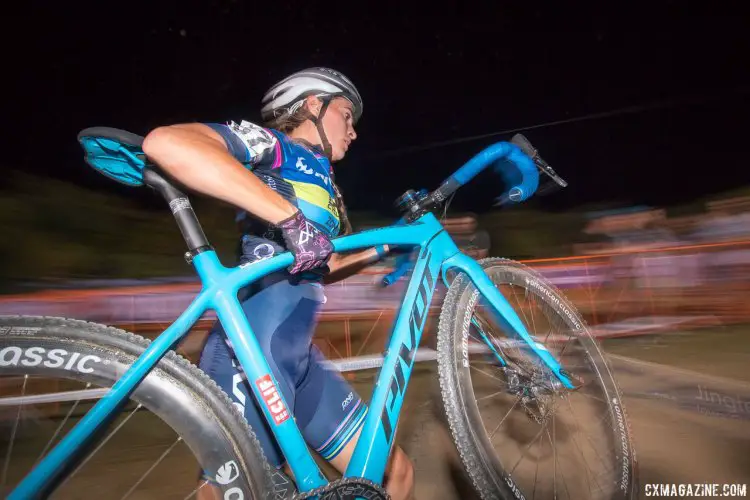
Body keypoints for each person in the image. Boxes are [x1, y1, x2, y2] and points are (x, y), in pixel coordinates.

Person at [142, 67, 414, 499]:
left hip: (299, 357)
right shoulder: (279, 148)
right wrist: (289, 218)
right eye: (347, 115)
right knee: (232, 492)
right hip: (252, 346)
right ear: (312, 105)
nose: (354, 132)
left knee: (392, 473)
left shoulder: (323, 180)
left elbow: (321, 265)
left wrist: (384, 250)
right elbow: (166, 143)